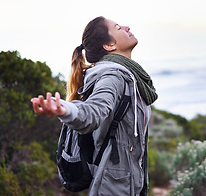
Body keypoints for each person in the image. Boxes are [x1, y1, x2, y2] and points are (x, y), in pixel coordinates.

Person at [31, 16, 158, 196]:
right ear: (109, 45)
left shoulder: (130, 76)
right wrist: (66, 110)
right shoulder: (112, 77)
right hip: (113, 188)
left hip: (129, 186)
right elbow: (93, 112)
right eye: (118, 27)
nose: (127, 27)